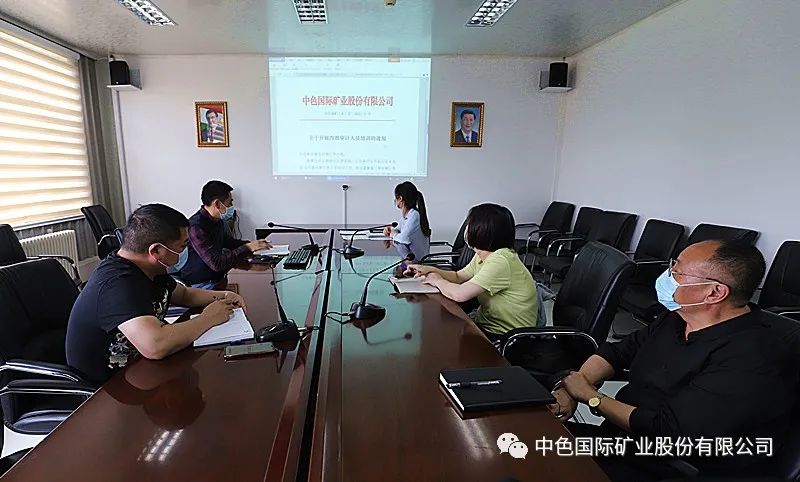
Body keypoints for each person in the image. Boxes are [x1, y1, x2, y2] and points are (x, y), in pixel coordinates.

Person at [552, 240, 799, 481]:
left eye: (677, 271)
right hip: (625, 442)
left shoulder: (752, 357)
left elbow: (667, 431)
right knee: (531, 440)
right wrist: (572, 389)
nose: (667, 276)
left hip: (673, 465)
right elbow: (617, 353)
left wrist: (591, 397)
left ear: (714, 292)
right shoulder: (678, 318)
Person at [66, 204, 248, 385]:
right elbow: (155, 345)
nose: (186, 251)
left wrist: (224, 295)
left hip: (140, 370)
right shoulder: (117, 284)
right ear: (156, 251)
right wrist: (208, 318)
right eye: (183, 246)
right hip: (107, 387)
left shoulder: (149, 267)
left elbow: (184, 295)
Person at [405, 203, 538, 341]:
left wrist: (437, 280)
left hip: (508, 337)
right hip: (486, 324)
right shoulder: (483, 254)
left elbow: (459, 294)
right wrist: (430, 270)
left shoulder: (501, 260)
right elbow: (458, 276)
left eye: (470, 225)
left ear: (484, 231)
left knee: (439, 336)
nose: (467, 230)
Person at [180, 180, 270, 286]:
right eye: (230, 203)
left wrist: (255, 246)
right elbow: (216, 263)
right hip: (200, 284)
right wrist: (248, 247)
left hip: (218, 278)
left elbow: (228, 242)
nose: (232, 206)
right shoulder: (196, 227)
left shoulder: (217, 220)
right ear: (217, 204)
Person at [383, 181, 431, 260]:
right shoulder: (408, 215)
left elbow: (404, 239)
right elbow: (398, 229)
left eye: (396, 198)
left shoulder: (414, 216)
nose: (395, 200)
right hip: (411, 259)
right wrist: (390, 230)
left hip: (418, 262)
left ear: (400, 199)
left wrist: (393, 235)